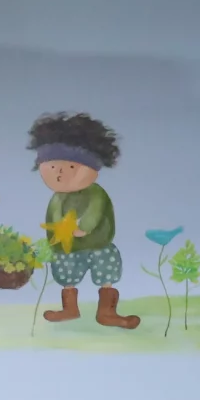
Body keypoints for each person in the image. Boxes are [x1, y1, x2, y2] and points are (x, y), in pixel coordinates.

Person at [32, 111, 139, 329]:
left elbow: (94, 211)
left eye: (71, 167)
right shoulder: (58, 198)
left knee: (106, 270)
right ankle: (70, 309)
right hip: (67, 246)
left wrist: (84, 227)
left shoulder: (95, 193)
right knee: (66, 273)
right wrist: (58, 233)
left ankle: (107, 312)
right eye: (52, 167)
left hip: (97, 243)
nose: (60, 173)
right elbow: (54, 216)